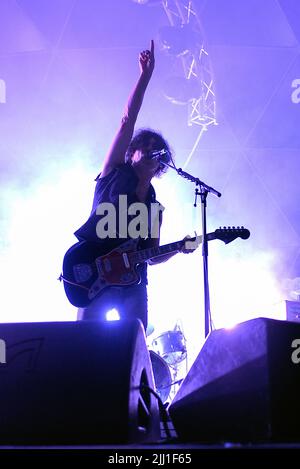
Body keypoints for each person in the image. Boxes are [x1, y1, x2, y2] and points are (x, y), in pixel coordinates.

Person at [74, 40, 193, 330]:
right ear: (133, 151)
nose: (152, 150)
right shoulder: (113, 171)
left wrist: (179, 248)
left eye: (157, 148)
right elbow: (127, 121)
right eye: (146, 145)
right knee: (84, 345)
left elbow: (151, 255)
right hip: (93, 271)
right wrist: (145, 76)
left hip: (133, 281)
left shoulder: (154, 207)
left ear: (162, 164)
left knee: (133, 343)